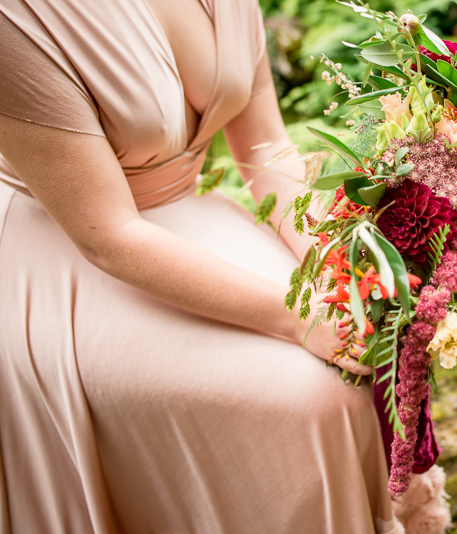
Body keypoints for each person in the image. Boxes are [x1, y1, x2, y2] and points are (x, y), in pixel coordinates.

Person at [0, 0, 402, 532]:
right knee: (316, 394)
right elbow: (109, 236)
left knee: (374, 328)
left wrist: (337, 265)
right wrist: (303, 320)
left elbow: (267, 148)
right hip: (72, 249)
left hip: (193, 213)